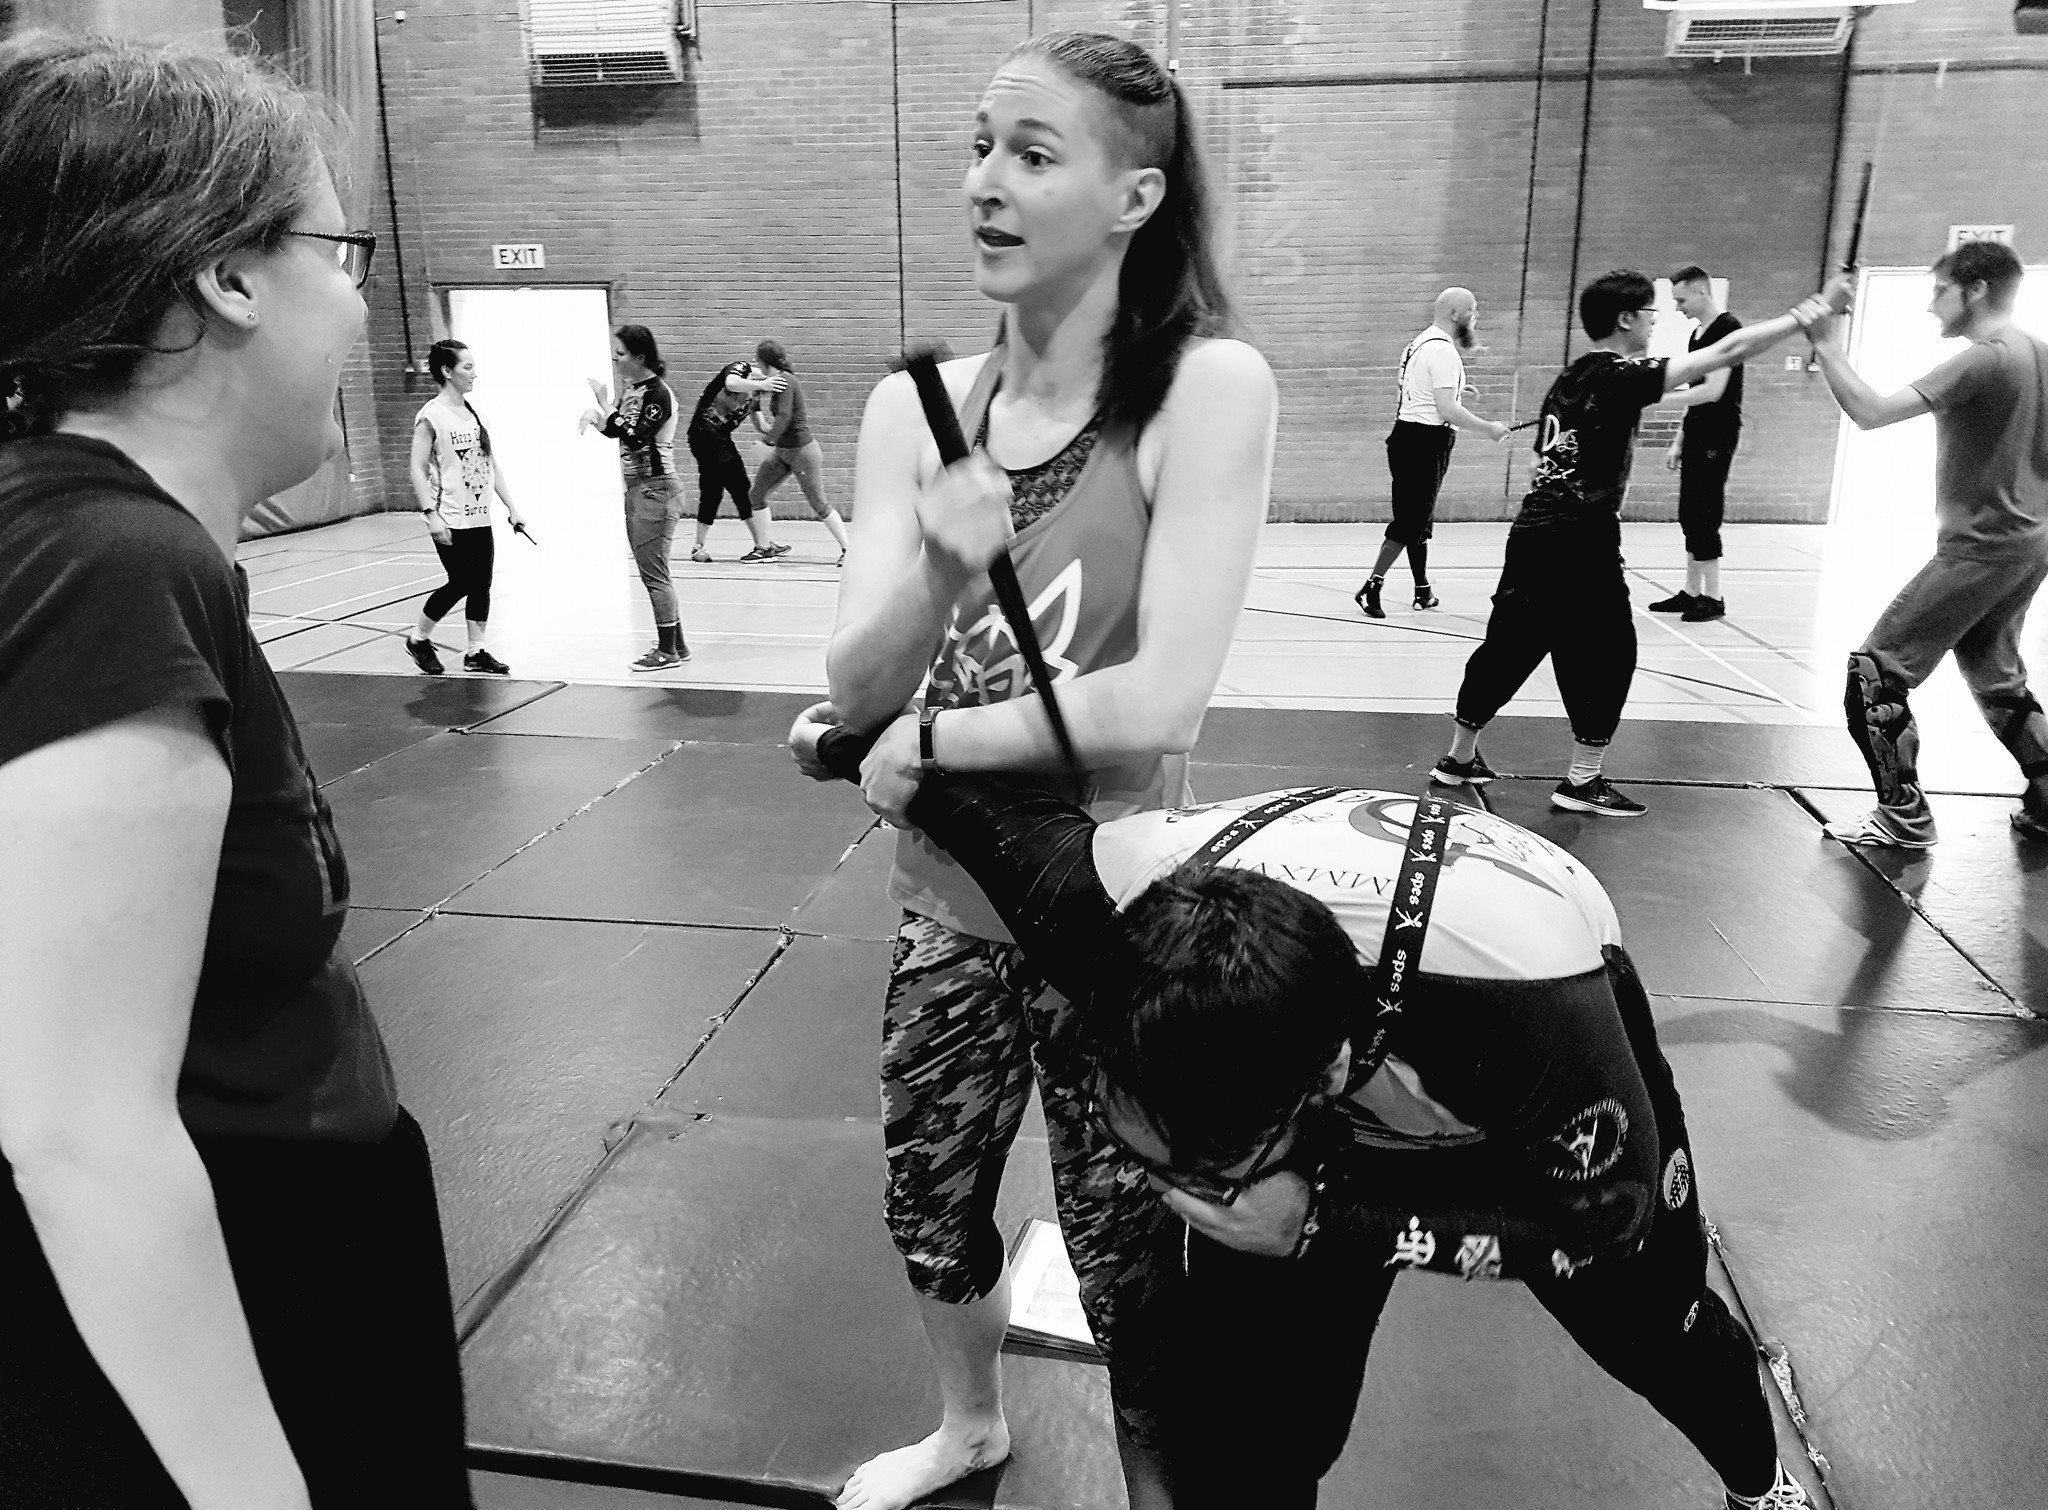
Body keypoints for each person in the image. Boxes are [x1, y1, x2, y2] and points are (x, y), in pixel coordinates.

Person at [790, 708, 1816, 1510]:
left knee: (1656, 1330)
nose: (1175, 1195)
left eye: (1201, 1175)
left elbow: (1608, 1217)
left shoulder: (1536, 1010)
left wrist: (1328, 1218)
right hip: (1305, 1088)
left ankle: (1759, 1482)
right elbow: (952, 795)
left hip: (1497, 1068)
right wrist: (843, 742)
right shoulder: (1098, 899)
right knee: (1251, 1429)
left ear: (1322, 1082)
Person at [0, 31, 471, 1507]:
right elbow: (80, 1132)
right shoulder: (107, 563)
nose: (357, 298)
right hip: (252, 1276)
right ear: (227, 277)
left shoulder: (97, 539)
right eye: (341, 251)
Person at [823, 29, 1275, 1510]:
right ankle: (969, 1425)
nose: (984, 183)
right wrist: (936, 570)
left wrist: (930, 740)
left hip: (1113, 909)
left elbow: (1161, 700)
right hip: (945, 906)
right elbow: (853, 685)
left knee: (1126, 1238)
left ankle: (1156, 1483)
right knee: (929, 1200)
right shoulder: (916, 411)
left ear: (1134, 197)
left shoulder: (1203, 388)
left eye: (1031, 154)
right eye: (978, 147)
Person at [1433, 269, 1845, 817]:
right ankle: (1582, 780)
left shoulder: (1573, 375)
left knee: (1510, 644)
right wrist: (1805, 315)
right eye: (1651, 313)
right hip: (1581, 536)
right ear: (1626, 319)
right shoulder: (1619, 374)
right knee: (1610, 652)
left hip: (1532, 530)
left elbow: (1543, 460)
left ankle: (1459, 758)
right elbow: (1728, 351)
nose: (1656, 323)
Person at [1801, 239, 2048, 848]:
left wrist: (1827, 345)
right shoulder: (2037, 352)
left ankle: (1902, 816)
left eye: (1940, 291)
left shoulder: (1985, 359)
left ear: (1976, 290)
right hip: (2028, 541)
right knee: (1996, 676)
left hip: (1983, 546)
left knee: (1875, 672)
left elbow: (1871, 412)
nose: (1931, 305)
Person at [1354, 287, 1510, 619]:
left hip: (1408, 437)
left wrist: (1458, 388)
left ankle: (1422, 590)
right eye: (1472, 309)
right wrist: (1489, 428)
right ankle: (1372, 586)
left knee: (1418, 520)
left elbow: (1419, 389)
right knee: (1410, 521)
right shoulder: (1443, 351)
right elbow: (1447, 410)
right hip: (1424, 443)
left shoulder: (1420, 343)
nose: (1476, 315)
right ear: (1455, 314)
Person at [405, 337, 525, 675]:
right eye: (467, 367)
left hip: (479, 516)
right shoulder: (431, 416)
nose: (474, 373)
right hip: (449, 516)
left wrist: (512, 508)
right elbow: (416, 468)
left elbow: (490, 465)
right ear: (447, 371)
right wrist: (431, 514)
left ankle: (476, 652)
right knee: (460, 582)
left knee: (481, 584)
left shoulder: (476, 415)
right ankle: (418, 639)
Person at [581, 324, 690, 670]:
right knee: (654, 571)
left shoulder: (657, 393)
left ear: (640, 357)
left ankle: (667, 651)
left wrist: (603, 404)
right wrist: (596, 418)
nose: (615, 360)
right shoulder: (632, 389)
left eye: (621, 354)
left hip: (656, 487)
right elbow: (617, 430)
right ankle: (678, 645)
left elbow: (637, 437)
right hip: (639, 488)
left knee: (654, 574)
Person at [1651, 267, 1745, 623]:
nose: (1679, 308)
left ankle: (1713, 597)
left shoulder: (1727, 329)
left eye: (1681, 300)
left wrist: (1657, 396)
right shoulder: (1697, 334)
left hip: (1718, 433)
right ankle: (1691, 591)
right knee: (1689, 512)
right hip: (1698, 432)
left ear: (1702, 292)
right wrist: (1679, 439)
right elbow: (1694, 396)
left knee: (1705, 512)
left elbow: (1713, 390)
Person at [749, 338, 850, 565]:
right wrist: (755, 395)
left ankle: (849, 549)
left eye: (758, 360)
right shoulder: (775, 381)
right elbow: (765, 421)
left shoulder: (786, 381)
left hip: (802, 452)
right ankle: (764, 548)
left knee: (818, 503)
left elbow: (784, 416)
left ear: (764, 361)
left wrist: (767, 442)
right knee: (756, 495)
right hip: (783, 451)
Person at [686, 355, 788, 563]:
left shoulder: (755, 394)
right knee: (740, 486)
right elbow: (731, 383)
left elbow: (761, 425)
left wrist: (781, 433)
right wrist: (763, 383)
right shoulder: (740, 369)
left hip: (720, 438)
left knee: (713, 489)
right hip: (704, 434)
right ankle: (762, 544)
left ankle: (699, 546)